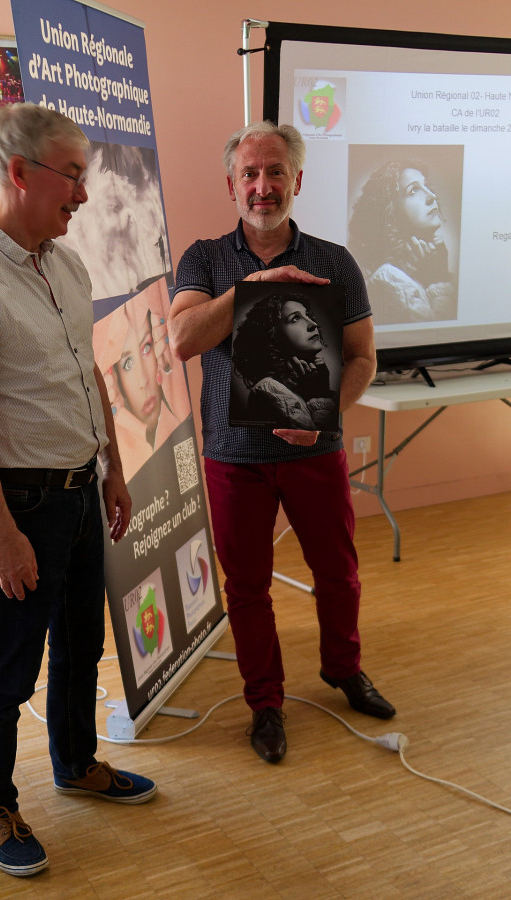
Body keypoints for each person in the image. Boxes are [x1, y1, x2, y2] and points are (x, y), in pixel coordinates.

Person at [0, 103, 157, 879]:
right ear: (18, 173)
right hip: (20, 503)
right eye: (73, 177)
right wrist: (1, 533)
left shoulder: (63, 260)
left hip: (81, 485)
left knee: (82, 644)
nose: (83, 196)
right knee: (11, 665)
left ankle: (75, 764)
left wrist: (114, 468)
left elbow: (85, 374)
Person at [168, 120, 395, 765]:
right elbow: (182, 340)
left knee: (339, 572)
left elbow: (363, 358)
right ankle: (264, 702)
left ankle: (343, 668)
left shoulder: (333, 262)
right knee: (246, 587)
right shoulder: (206, 260)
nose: (262, 187)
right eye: (250, 175)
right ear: (231, 185)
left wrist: (328, 416)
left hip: (313, 452)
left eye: (274, 174)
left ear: (296, 181)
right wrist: (251, 291)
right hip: (233, 459)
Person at [93, 278, 191, 483]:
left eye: (147, 347)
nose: (144, 381)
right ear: (114, 377)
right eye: (128, 364)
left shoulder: (177, 420)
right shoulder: (126, 454)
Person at [348, 159, 456, 324]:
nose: (431, 196)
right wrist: (438, 278)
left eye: (427, 186)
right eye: (413, 191)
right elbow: (432, 337)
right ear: (389, 212)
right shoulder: (388, 279)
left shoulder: (421, 266)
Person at [231, 291, 337, 430]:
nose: (313, 324)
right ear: (272, 336)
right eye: (295, 319)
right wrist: (320, 394)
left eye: (308, 316)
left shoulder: (302, 384)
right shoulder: (269, 390)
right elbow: (312, 442)